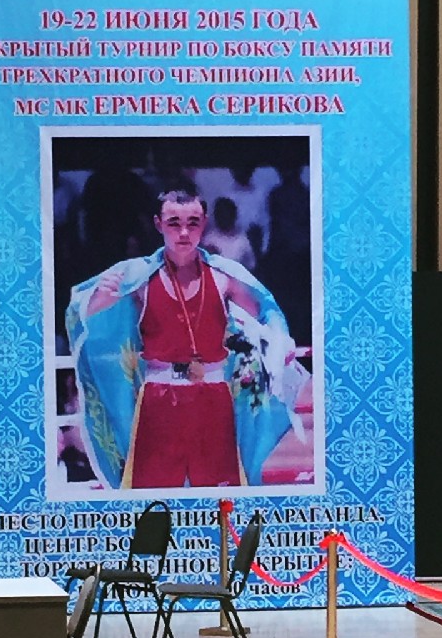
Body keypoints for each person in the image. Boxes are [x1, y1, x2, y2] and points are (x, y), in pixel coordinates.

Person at [66, 190, 306, 491]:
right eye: (174, 223)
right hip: (159, 401)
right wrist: (101, 297)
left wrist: (282, 339)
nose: (183, 232)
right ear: (158, 224)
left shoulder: (225, 275)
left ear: (204, 223)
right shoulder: (138, 276)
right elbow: (83, 315)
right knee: (151, 499)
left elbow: (266, 311)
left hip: (214, 398)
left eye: (192, 223)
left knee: (221, 498)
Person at [202, 196, 256, 270]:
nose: (223, 219)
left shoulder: (242, 240)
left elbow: (251, 265)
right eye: (220, 215)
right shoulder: (209, 239)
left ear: (234, 216)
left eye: (226, 215)